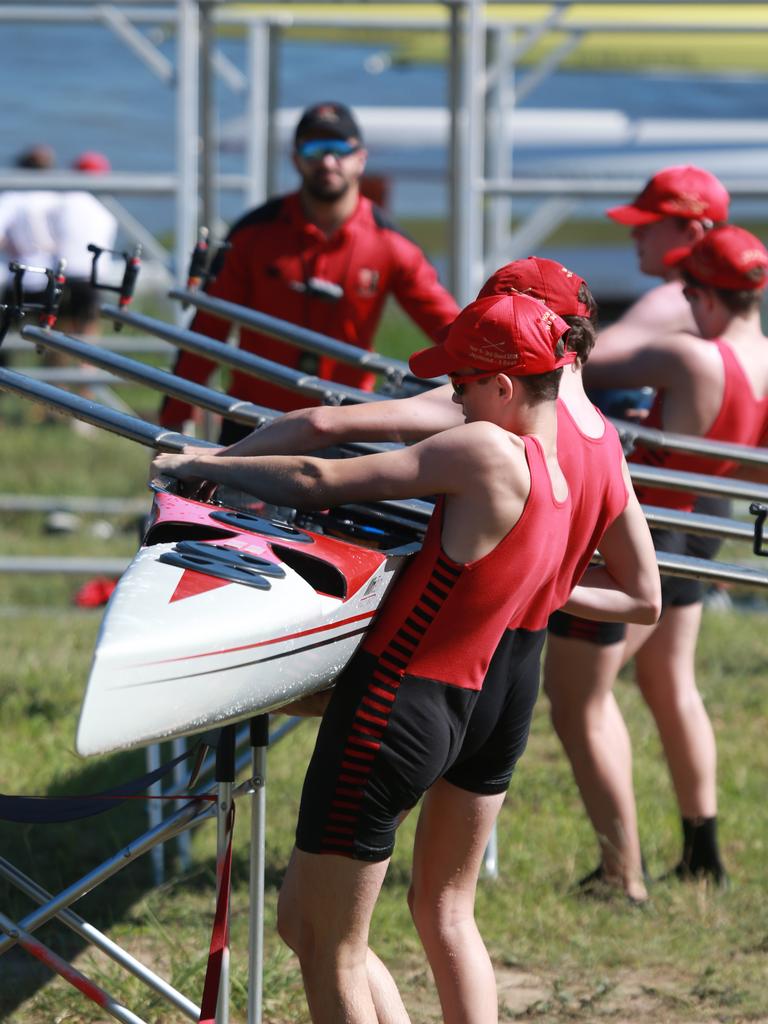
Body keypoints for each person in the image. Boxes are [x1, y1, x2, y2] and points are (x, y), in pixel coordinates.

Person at [154, 282, 660, 1021]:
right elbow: (611, 588)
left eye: (460, 383)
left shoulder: (486, 448)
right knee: (312, 921)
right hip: (476, 698)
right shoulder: (566, 462)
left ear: (503, 383)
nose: (451, 397)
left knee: (331, 949)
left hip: (396, 705)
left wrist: (198, 464)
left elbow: (315, 475)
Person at [558, 225, 768, 893]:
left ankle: (622, 873)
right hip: (701, 530)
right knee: (671, 685)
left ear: (701, 295)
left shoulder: (691, 357)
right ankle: (702, 850)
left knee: (577, 702)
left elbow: (580, 363)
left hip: (645, 530)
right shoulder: (764, 357)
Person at [158, 100, 459, 442]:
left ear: (361, 158)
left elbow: (453, 331)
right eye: (314, 148)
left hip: (346, 425)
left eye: (339, 148)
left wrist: (499, 385)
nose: (327, 161)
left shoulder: (391, 244)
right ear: (296, 158)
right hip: (253, 422)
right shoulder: (253, 235)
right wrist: (173, 422)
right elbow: (206, 332)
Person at [51, 151, 118, 338]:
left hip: (64, 270)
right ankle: (88, 365)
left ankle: (59, 365)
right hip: (94, 274)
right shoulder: (104, 208)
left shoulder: (62, 201)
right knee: (89, 325)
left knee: (59, 326)